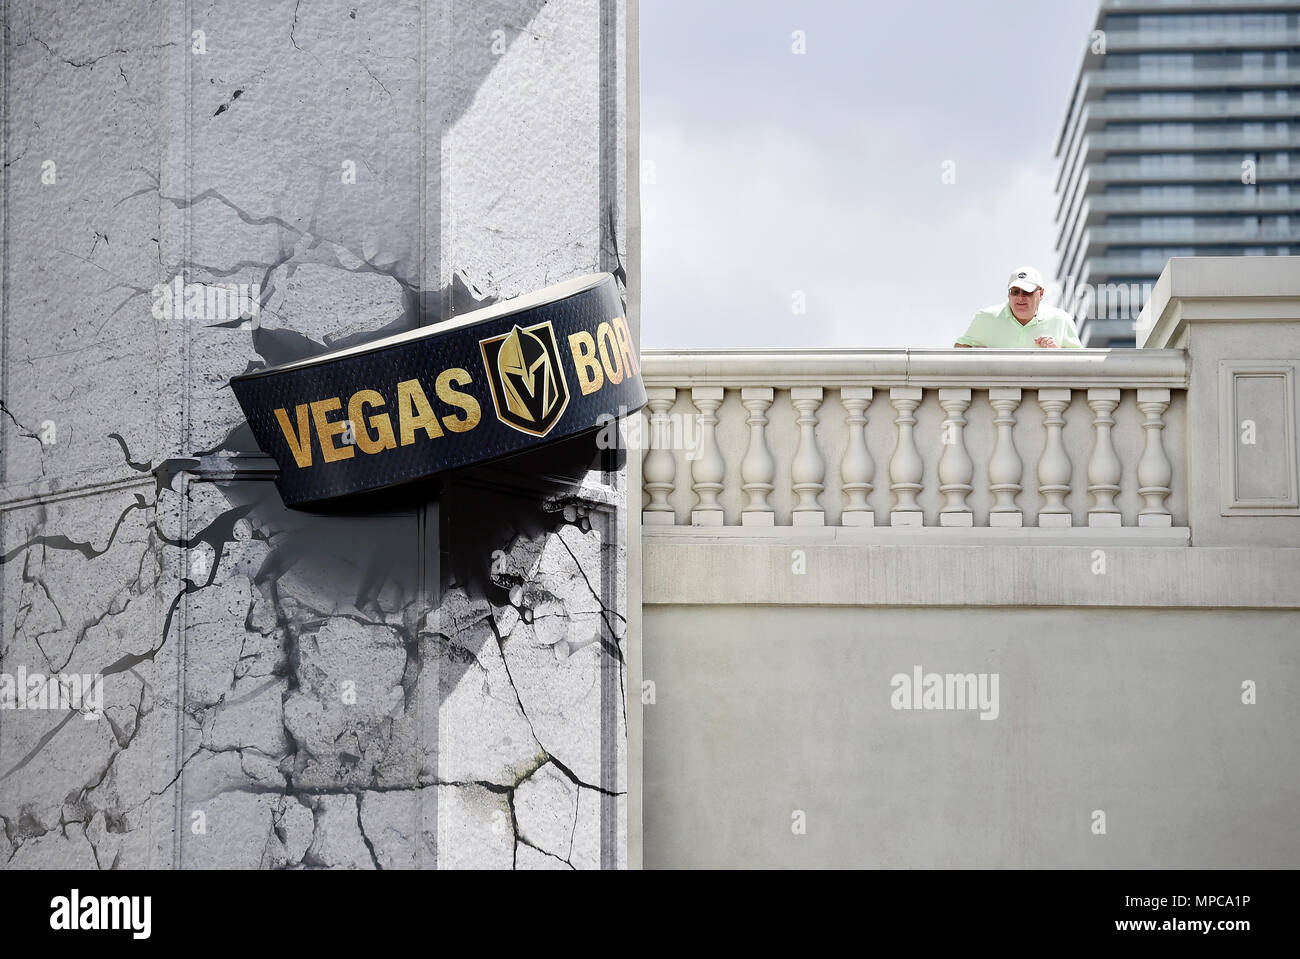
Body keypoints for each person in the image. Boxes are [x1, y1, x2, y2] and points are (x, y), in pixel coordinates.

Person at [953, 267, 1083, 349]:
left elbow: (1082, 365)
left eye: (1027, 292)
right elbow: (958, 351)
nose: (1020, 298)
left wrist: (1057, 352)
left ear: (1041, 293)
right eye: (1015, 292)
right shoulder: (986, 318)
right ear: (1008, 293)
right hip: (1000, 392)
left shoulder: (1061, 320)